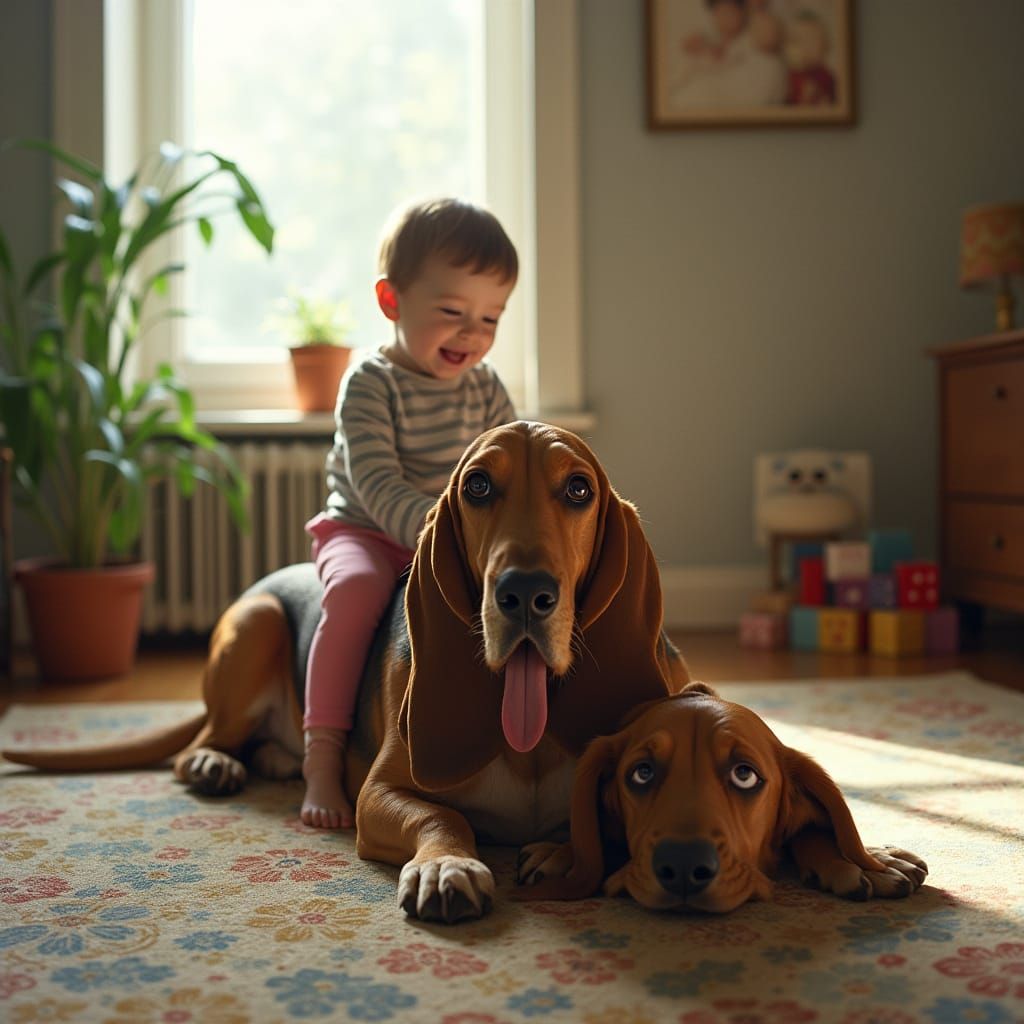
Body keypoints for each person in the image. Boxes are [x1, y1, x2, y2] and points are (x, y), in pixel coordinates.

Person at [301, 198, 519, 829]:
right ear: (391, 301)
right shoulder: (371, 383)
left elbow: (514, 472)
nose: (472, 333)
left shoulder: (486, 388)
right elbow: (378, 483)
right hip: (367, 531)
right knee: (354, 595)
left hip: (456, 538)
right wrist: (446, 533)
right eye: (452, 312)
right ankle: (323, 753)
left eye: (490, 317)